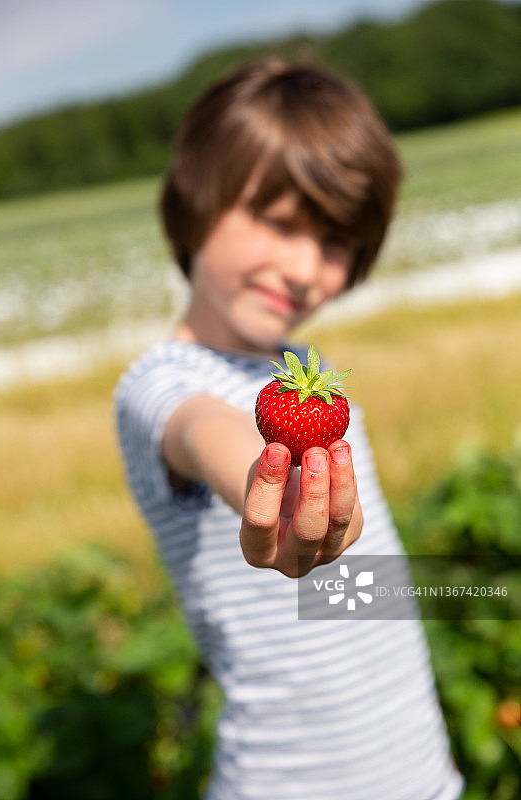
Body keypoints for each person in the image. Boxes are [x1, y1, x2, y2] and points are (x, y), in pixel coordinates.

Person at [115, 59, 464, 800]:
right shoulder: (159, 384)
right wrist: (261, 488)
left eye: (337, 242)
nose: (306, 267)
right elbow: (208, 431)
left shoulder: (307, 367)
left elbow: (362, 606)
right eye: (278, 223)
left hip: (419, 771)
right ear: (194, 204)